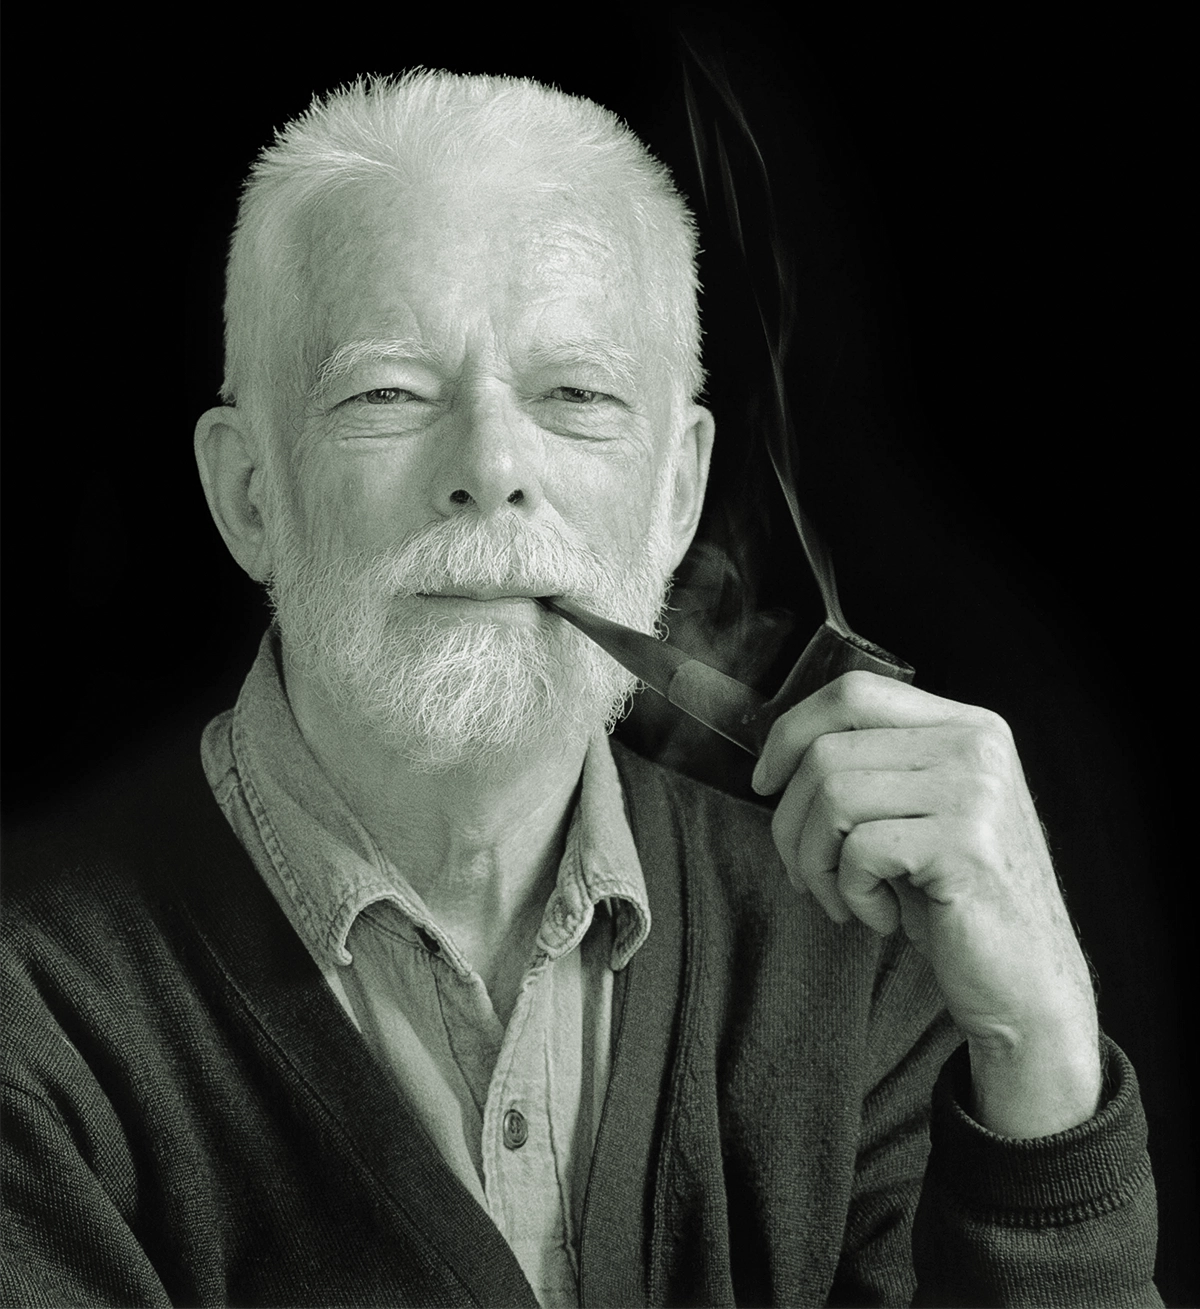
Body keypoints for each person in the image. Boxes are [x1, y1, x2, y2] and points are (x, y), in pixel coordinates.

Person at [1, 71, 1160, 1308]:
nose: (493, 468)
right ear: (247, 495)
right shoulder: (34, 1023)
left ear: (675, 494)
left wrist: (1039, 1060)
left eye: (576, 397)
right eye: (389, 392)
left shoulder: (861, 961)